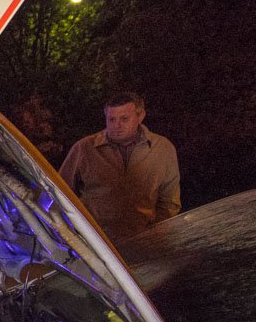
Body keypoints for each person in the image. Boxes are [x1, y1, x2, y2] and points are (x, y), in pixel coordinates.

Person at [58, 91, 180, 244]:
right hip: (97, 242)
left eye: (124, 119)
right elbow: (59, 192)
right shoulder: (85, 148)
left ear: (140, 116)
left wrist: (158, 234)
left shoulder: (161, 148)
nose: (116, 126)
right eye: (111, 119)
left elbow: (169, 201)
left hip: (145, 240)